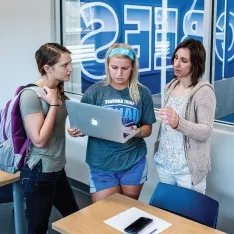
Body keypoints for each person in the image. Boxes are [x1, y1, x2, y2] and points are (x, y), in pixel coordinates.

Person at [68, 43, 156, 202]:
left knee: (129, 211)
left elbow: (148, 128)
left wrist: (137, 132)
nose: (119, 73)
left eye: (125, 68)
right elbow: (83, 121)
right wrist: (78, 130)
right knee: (103, 214)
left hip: (133, 161)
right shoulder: (95, 92)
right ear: (107, 66)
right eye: (114, 67)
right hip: (101, 163)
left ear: (133, 68)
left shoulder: (142, 93)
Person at [19, 43, 79, 234]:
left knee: (73, 216)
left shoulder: (59, 91)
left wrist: (77, 129)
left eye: (70, 63)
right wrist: (53, 105)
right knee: (37, 228)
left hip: (56, 169)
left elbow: (61, 123)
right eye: (65, 65)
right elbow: (38, 140)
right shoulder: (31, 96)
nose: (70, 69)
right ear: (47, 68)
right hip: (39, 172)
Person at [154, 38, 216, 194]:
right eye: (175, 58)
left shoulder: (204, 91)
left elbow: (206, 131)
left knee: (188, 217)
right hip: (165, 165)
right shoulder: (170, 86)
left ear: (195, 64)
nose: (176, 64)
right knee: (166, 214)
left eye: (183, 60)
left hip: (188, 170)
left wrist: (178, 123)